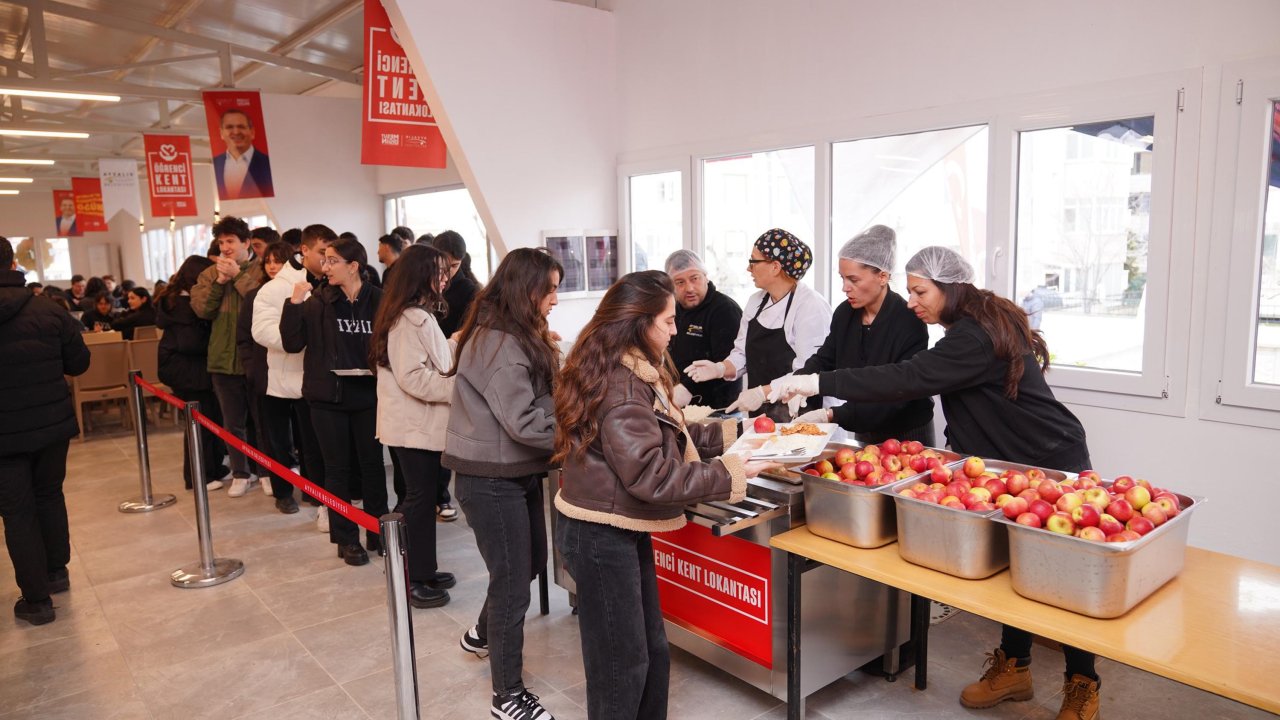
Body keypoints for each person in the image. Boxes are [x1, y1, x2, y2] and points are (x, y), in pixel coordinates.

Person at [769, 246, 1103, 720]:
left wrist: (817, 383)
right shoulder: (966, 326)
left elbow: (910, 377)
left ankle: (1083, 682)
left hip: (1048, 460)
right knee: (1013, 571)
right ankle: (1015, 668)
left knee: (1060, 581)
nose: (912, 302)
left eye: (920, 291)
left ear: (951, 287)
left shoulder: (974, 337)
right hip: (1002, 463)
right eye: (909, 291)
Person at [553, 270, 776, 719]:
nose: (675, 331)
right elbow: (653, 477)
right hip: (600, 534)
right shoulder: (622, 385)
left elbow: (667, 431)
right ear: (639, 322)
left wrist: (738, 433)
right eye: (668, 322)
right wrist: (729, 472)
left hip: (615, 527)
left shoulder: (628, 367)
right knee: (623, 665)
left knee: (651, 651)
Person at [443, 247, 562, 720]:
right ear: (525, 290)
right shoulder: (499, 343)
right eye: (549, 289)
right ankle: (507, 696)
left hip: (513, 471)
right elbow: (526, 423)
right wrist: (579, 432)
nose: (555, 298)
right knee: (514, 584)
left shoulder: (511, 331)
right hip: (490, 479)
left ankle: (481, 635)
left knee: (528, 562)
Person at [0, 236, 90, 625]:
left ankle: (36, 601)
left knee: (17, 512)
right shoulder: (49, 311)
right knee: (50, 495)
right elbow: (79, 363)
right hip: (51, 426)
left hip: (4, 436)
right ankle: (57, 572)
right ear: (13, 262)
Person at [280, 236, 386, 565]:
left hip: (368, 395)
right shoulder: (317, 301)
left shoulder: (379, 300)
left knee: (373, 468)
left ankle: (379, 533)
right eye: (323, 260)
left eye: (332, 261)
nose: (325, 267)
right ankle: (346, 539)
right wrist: (293, 304)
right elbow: (291, 343)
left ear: (353, 266)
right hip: (328, 398)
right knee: (336, 470)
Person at [370, 244, 457, 608]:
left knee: (422, 498)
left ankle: (423, 568)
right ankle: (411, 577)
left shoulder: (416, 315)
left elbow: (438, 359)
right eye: (438, 272)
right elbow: (413, 378)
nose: (445, 278)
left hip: (417, 426)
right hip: (413, 426)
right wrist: (458, 389)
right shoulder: (410, 318)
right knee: (419, 500)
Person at [791, 225, 935, 445]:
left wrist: (833, 415)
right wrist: (800, 382)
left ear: (883, 277)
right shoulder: (845, 313)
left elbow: (897, 392)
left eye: (853, 280)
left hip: (907, 432)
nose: (845, 288)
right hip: (862, 424)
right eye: (842, 278)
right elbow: (826, 357)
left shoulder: (909, 320)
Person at [685, 228, 830, 422]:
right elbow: (741, 354)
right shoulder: (756, 302)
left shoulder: (810, 306)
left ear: (775, 267)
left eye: (753, 261)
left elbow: (808, 372)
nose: (748, 268)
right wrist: (719, 368)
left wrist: (761, 393)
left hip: (803, 416)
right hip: (762, 418)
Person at [254, 225, 336, 530]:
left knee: (315, 444)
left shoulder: (331, 283)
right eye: (321, 253)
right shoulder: (276, 287)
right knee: (279, 441)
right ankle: (283, 492)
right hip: (281, 375)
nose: (327, 259)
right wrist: (297, 337)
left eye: (331, 254)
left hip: (316, 379)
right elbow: (260, 331)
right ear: (304, 250)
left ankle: (318, 498)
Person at [191, 216, 265, 497]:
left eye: (230, 241)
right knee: (232, 421)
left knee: (261, 420)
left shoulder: (260, 271)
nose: (225, 247)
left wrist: (238, 277)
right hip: (222, 357)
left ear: (246, 243)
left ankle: (266, 471)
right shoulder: (209, 274)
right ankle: (241, 472)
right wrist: (221, 281)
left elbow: (261, 303)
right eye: (221, 242)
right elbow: (202, 310)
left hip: (255, 357)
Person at [157, 256, 230, 490]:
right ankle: (199, 476)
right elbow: (191, 343)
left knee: (209, 419)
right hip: (187, 370)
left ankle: (214, 468)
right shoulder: (182, 305)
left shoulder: (174, 300)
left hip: (186, 368)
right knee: (201, 422)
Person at [238, 241, 298, 513]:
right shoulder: (254, 295)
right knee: (274, 437)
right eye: (269, 262)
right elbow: (244, 338)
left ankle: (314, 492)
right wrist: (252, 368)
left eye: (279, 261)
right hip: (266, 376)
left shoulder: (304, 290)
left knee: (306, 438)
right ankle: (282, 492)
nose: (273, 266)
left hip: (301, 374)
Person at [431, 230, 482, 522]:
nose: (447, 272)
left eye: (452, 265)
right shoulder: (426, 286)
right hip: (429, 367)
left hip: (456, 367)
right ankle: (435, 495)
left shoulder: (471, 291)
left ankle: (443, 495)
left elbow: (467, 336)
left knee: (448, 437)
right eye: (442, 265)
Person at [663, 249, 742, 410]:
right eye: (680, 282)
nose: (689, 288)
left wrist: (687, 388)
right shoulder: (672, 309)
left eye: (695, 278)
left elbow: (727, 363)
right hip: (677, 403)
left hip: (717, 407)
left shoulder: (725, 310)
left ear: (706, 277)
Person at [213, 108, 274, 199]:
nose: (236, 132)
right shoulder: (214, 164)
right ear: (221, 133)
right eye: (229, 127)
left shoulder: (269, 163)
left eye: (241, 127)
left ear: (252, 132)